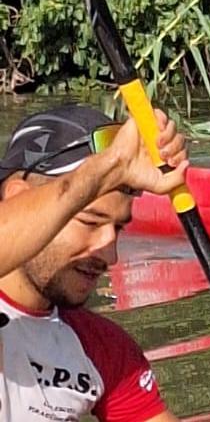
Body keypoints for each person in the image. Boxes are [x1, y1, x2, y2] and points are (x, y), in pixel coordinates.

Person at [0, 104, 190, 422]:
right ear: (16, 197)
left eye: (117, 227)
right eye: (90, 221)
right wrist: (112, 165)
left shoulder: (104, 348)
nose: (109, 254)